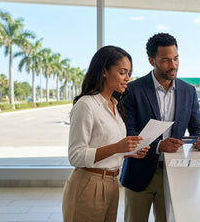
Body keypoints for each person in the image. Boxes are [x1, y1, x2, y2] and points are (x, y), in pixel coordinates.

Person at [120, 33, 200, 222]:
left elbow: (197, 126)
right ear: (152, 60)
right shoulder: (133, 90)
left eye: (176, 58)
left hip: (175, 173)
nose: (173, 65)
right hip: (138, 172)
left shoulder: (189, 91)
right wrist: (158, 146)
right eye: (166, 60)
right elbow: (128, 131)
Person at [62, 45, 149, 222]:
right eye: (122, 72)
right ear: (104, 71)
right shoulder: (86, 105)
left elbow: (106, 146)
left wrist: (128, 152)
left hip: (112, 184)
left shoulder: (115, 106)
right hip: (89, 184)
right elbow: (75, 156)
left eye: (129, 73)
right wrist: (118, 147)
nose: (127, 79)